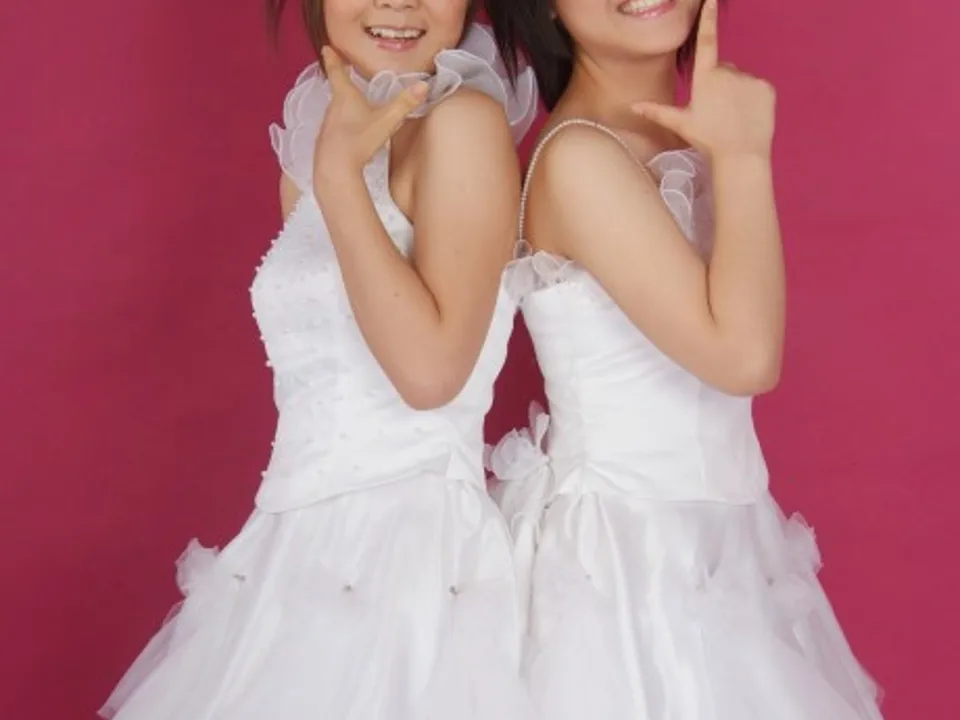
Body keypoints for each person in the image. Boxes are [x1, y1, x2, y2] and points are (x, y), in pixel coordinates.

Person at [99, 1, 539, 717]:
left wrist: (339, 179)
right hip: (287, 554)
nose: (398, 4)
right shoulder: (323, 149)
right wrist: (333, 170)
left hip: (408, 557)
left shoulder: (462, 126)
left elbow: (432, 373)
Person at [483, 0, 884, 717]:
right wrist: (744, 156)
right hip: (629, 564)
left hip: (724, 543)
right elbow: (745, 356)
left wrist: (728, 152)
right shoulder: (579, 155)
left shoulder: (684, 139)